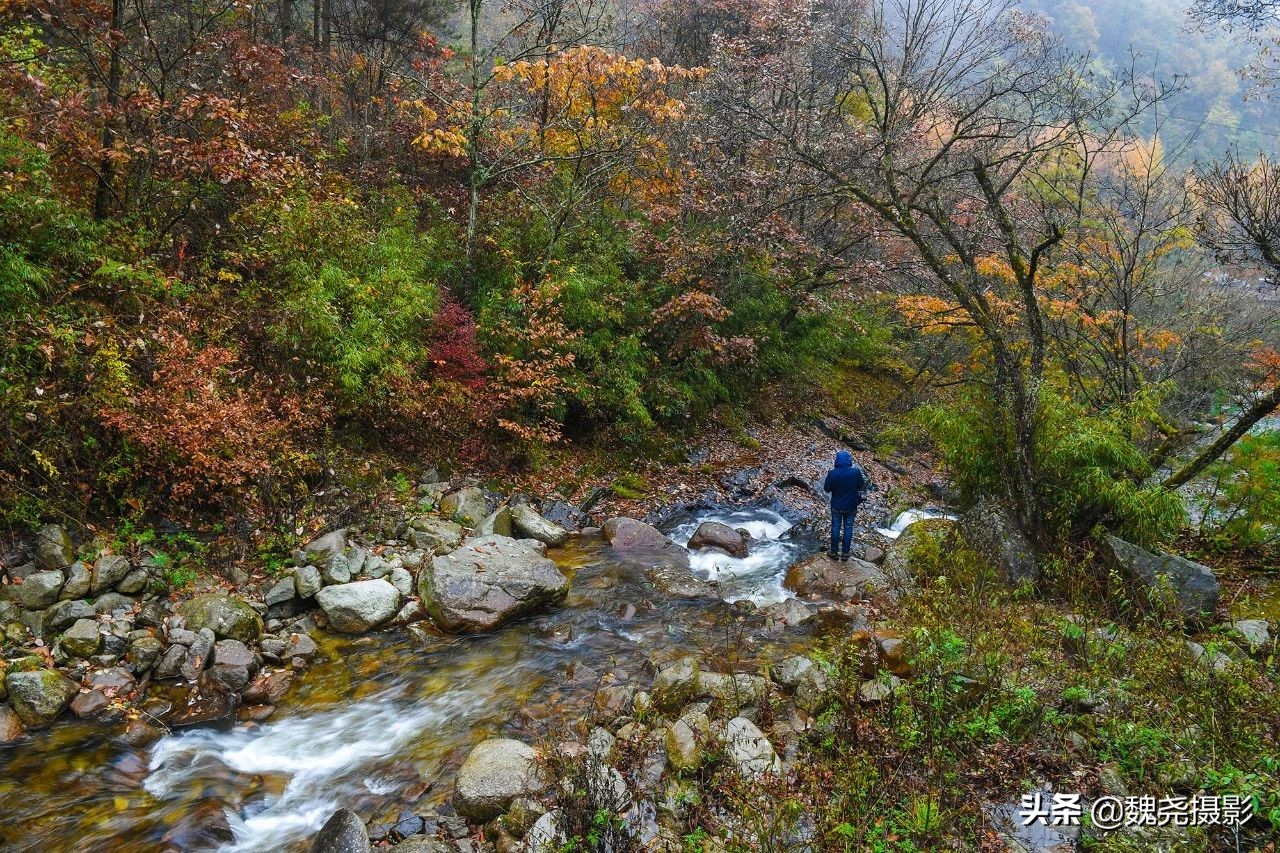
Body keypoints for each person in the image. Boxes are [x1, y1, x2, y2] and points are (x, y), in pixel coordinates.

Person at [823, 449, 866, 561]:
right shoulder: (855, 472)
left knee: (836, 527)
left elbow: (826, 489)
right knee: (848, 528)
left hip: (837, 506)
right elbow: (862, 486)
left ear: (837, 460)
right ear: (848, 460)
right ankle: (845, 554)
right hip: (851, 505)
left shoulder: (832, 473)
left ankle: (833, 552)